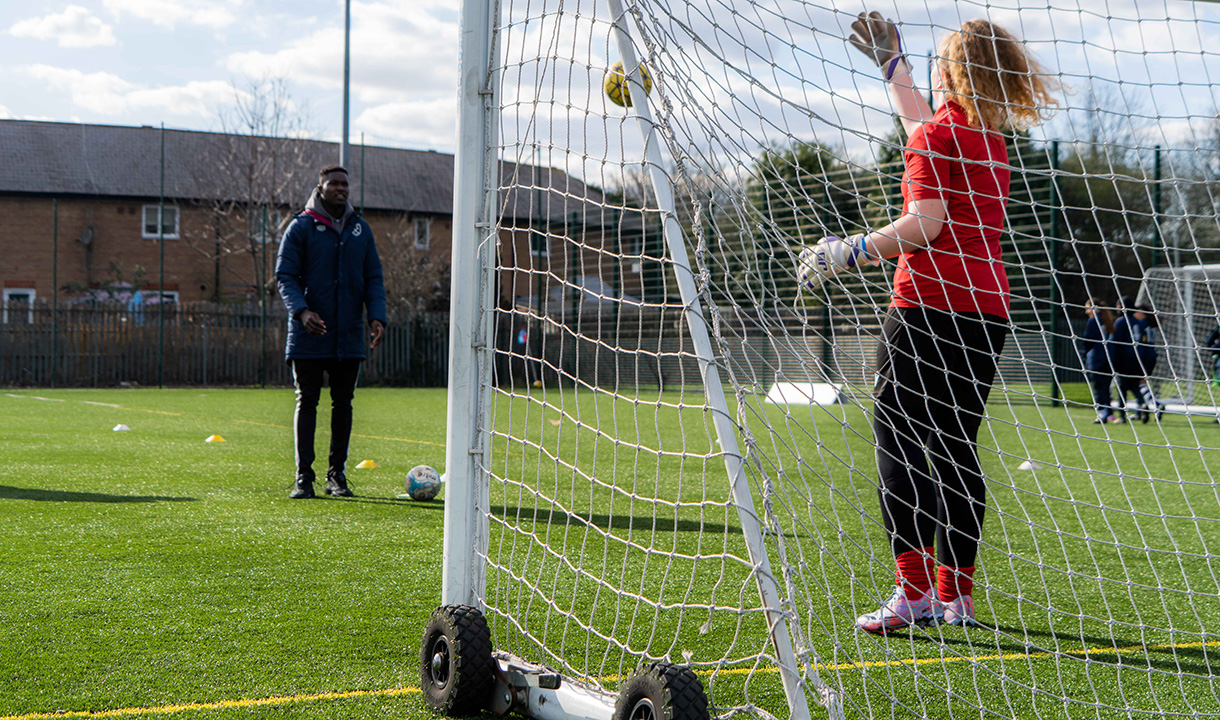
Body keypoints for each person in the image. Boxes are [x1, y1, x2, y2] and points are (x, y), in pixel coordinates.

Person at [798, 13, 1057, 631]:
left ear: (952, 71)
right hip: (987, 311)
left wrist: (849, 249)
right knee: (955, 448)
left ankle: (911, 594)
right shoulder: (987, 138)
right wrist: (893, 66)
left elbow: (926, 223)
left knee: (899, 446)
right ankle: (954, 598)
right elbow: (920, 124)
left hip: (926, 308)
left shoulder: (940, 138)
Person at [276, 165, 387, 499]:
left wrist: (376, 316)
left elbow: (374, 277)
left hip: (349, 334)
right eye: (333, 184)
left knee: (343, 404)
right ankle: (303, 478)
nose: (341, 189)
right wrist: (301, 311)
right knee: (307, 401)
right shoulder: (300, 227)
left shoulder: (360, 230)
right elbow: (285, 275)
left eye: (345, 184)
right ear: (320, 188)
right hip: (309, 334)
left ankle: (336, 477)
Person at [1109, 298, 1164, 424]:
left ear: (1120, 307)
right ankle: (1143, 404)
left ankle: (1122, 416)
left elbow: (1115, 344)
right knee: (1135, 385)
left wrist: (1114, 361)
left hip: (1125, 360)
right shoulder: (1138, 322)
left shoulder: (1121, 322)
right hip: (1139, 358)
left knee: (1122, 388)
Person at [1079, 298, 1117, 424]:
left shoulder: (1093, 321)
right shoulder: (1109, 320)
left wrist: (1083, 355)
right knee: (1105, 387)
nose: (1086, 311)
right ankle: (1109, 413)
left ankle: (1102, 413)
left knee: (1099, 387)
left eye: (1087, 308)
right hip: (1109, 358)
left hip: (1097, 359)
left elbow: (1088, 341)